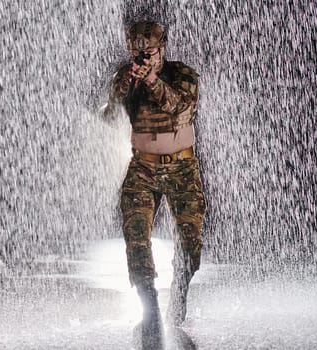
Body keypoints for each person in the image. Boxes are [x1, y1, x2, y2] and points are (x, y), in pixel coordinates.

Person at [103, 20, 206, 346]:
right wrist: (124, 87)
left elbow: (179, 110)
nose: (144, 56)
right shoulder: (127, 77)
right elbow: (108, 116)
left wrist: (151, 80)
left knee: (191, 239)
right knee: (136, 237)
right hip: (142, 168)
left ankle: (180, 291)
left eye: (149, 51)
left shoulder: (183, 75)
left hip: (181, 167)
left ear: (162, 48)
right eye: (136, 51)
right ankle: (148, 306)